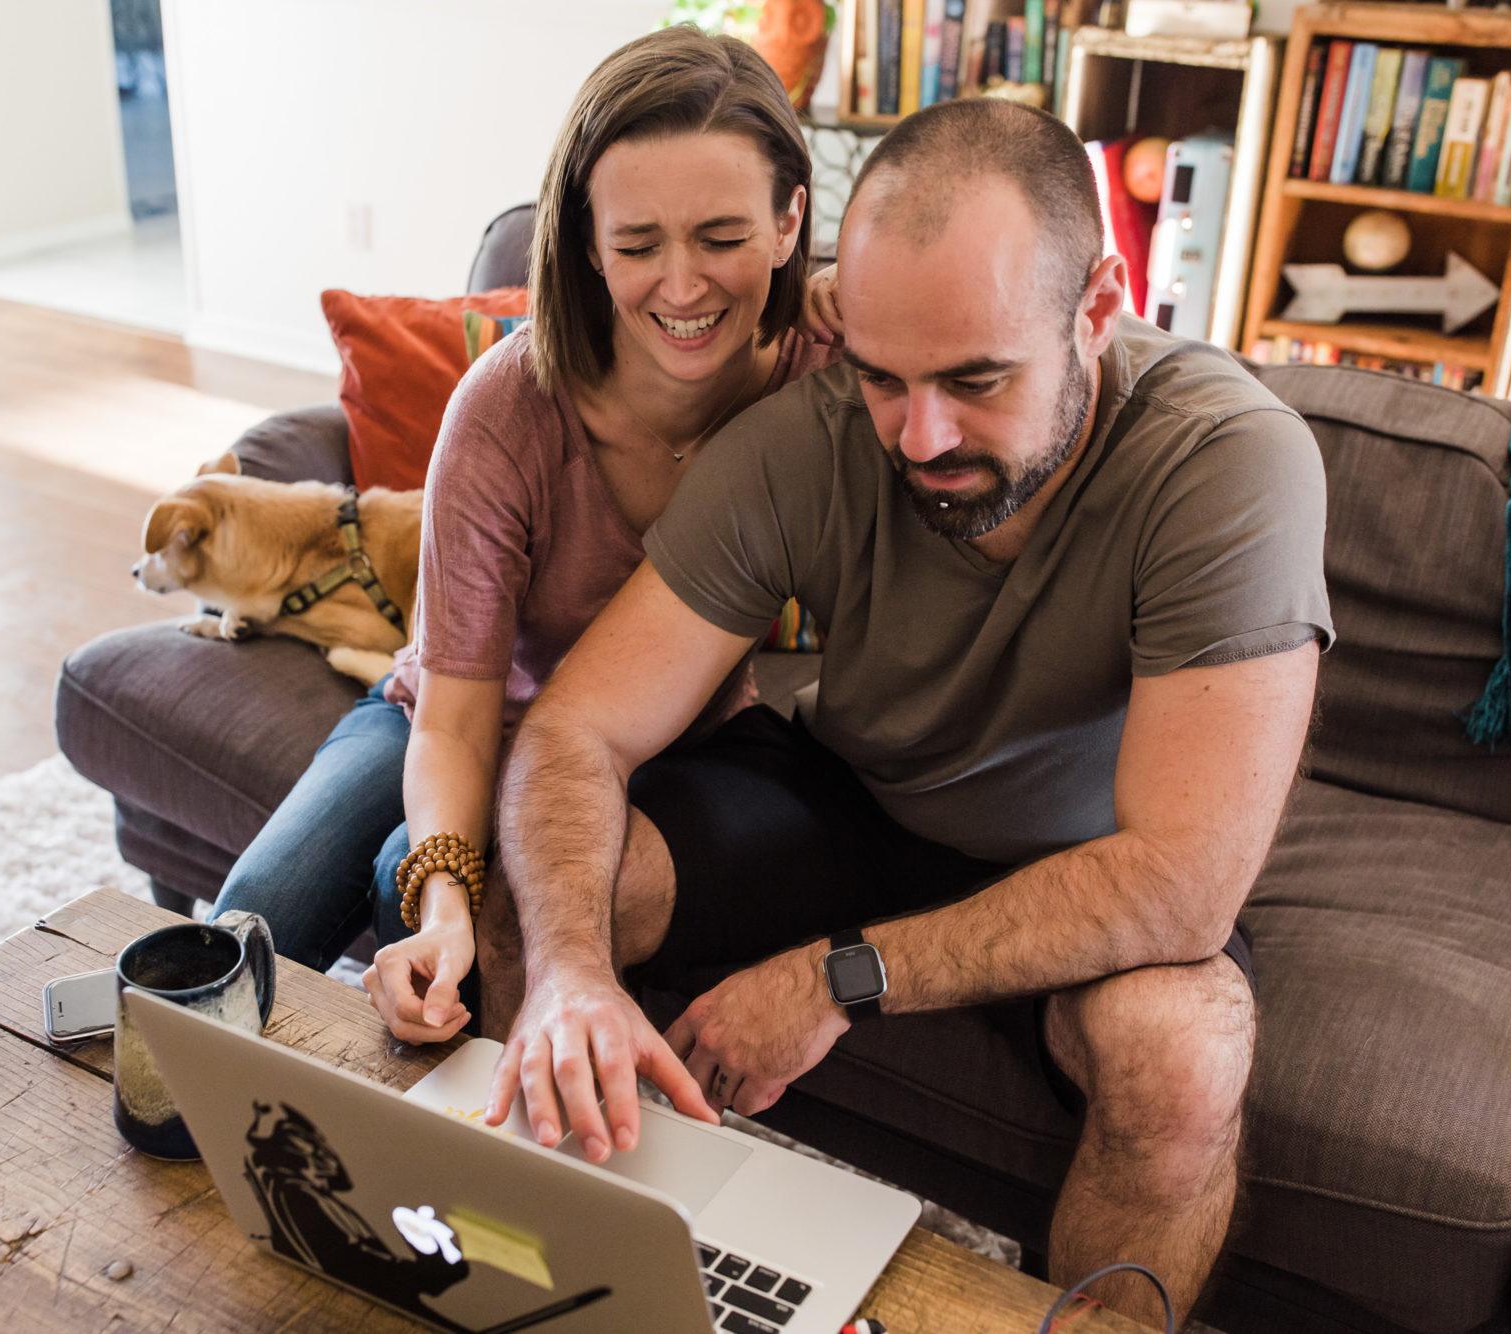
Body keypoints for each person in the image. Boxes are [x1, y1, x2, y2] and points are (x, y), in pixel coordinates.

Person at [476, 97, 1333, 1328]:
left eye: (976, 379)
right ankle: (520, 1265)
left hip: (1091, 854)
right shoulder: (805, 440)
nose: (920, 436)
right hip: (857, 792)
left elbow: (1182, 879)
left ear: (1095, 305)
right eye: (883, 376)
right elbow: (573, 730)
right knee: (551, 884)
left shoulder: (1226, 461)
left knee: (1181, 1061)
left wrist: (839, 981)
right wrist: (563, 973)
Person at [207, 25, 833, 1055]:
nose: (682, 287)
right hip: (457, 707)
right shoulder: (508, 406)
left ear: (786, 218)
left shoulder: (829, 368)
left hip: (664, 738)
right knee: (241, 933)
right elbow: (452, 720)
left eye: (721, 237)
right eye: (637, 245)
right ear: (587, 240)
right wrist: (442, 903)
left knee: (447, 892)